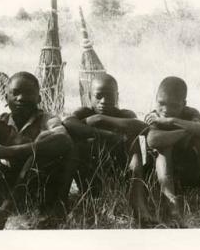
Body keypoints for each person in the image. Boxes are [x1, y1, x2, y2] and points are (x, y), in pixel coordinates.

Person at [0, 71, 75, 230]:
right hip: (3, 189)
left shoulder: (48, 119)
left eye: (28, 93)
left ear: (39, 98)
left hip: (35, 191)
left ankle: (9, 210)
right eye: (15, 93)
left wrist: (7, 151)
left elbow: (63, 139)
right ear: (6, 98)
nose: (21, 98)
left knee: (45, 142)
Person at [62, 73, 154, 227]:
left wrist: (101, 119)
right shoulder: (84, 112)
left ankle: (138, 201)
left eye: (109, 97)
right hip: (89, 181)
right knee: (74, 140)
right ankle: (61, 202)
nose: (103, 102)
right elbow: (68, 123)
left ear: (117, 97)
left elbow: (142, 127)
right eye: (98, 96)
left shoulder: (124, 114)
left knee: (132, 139)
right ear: (89, 96)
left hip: (120, 179)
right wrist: (109, 136)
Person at [145, 76, 200, 227]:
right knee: (165, 146)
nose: (166, 110)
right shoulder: (153, 116)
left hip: (189, 175)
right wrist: (185, 132)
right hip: (162, 178)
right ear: (156, 99)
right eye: (161, 103)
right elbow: (153, 140)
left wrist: (171, 122)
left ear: (183, 104)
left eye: (174, 106)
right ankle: (170, 202)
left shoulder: (190, 113)